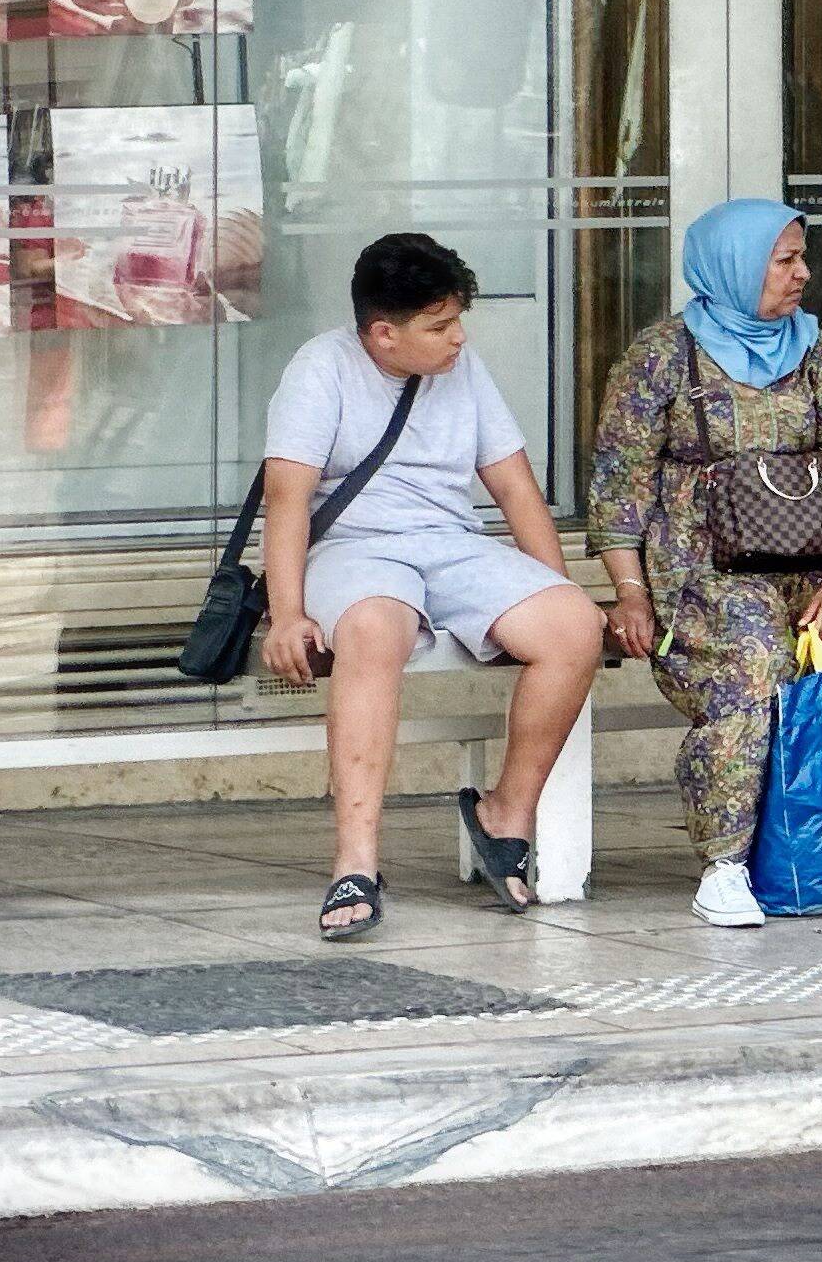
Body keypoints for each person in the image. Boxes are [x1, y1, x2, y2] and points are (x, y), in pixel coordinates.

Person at [587, 201, 822, 927]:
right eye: (784, 260)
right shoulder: (661, 356)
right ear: (733, 266)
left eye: (802, 258)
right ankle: (724, 868)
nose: (803, 274)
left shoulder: (815, 350)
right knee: (755, 664)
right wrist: (630, 593)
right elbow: (618, 483)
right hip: (706, 575)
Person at [259, 233, 606, 942]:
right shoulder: (320, 369)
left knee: (574, 626)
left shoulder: (463, 368)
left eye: (457, 321)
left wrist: (553, 589)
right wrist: (286, 613)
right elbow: (286, 500)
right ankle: (355, 862)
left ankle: (505, 813)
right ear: (383, 334)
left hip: (451, 546)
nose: (458, 338)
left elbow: (513, 487)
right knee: (373, 629)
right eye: (440, 326)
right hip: (357, 550)